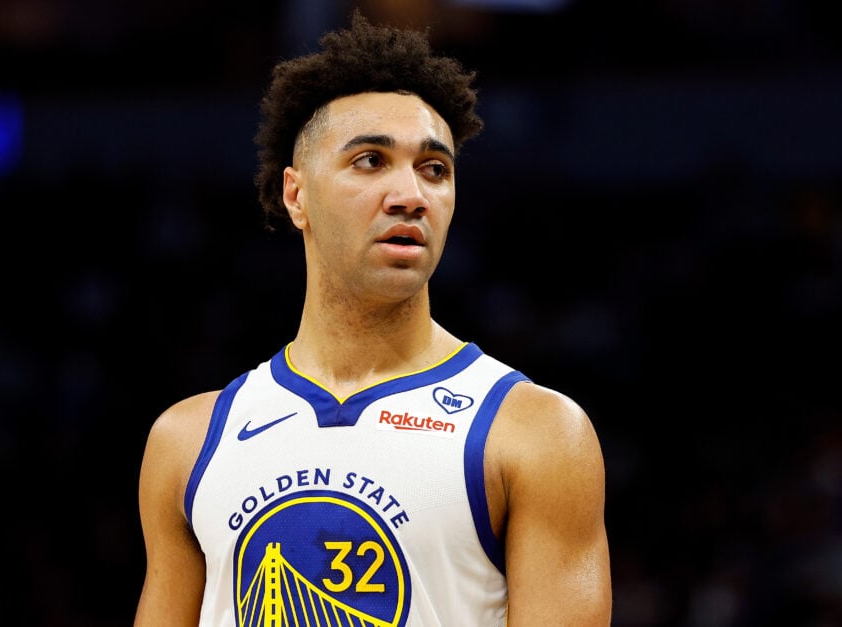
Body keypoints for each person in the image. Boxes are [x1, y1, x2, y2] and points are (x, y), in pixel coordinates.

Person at [134, 10, 611, 626]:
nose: (411, 193)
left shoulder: (536, 432)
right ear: (296, 195)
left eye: (434, 169)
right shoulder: (188, 441)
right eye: (369, 161)